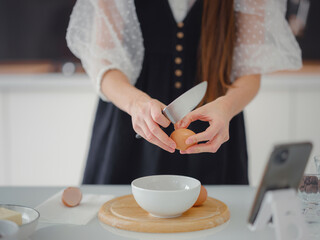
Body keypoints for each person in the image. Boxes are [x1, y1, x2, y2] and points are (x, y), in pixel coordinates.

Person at [66, 0, 302, 184]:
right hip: (129, 128)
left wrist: (226, 107)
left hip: (212, 134)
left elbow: (250, 74)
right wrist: (136, 104)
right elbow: (105, 66)